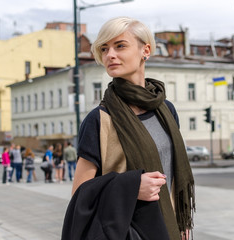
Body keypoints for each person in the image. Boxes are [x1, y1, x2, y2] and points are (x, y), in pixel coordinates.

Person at [62, 17, 195, 240]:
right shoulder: (100, 119)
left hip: (171, 227)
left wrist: (181, 224)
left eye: (120, 46)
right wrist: (131, 187)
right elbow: (80, 195)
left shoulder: (166, 110)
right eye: (104, 49)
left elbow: (173, 174)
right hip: (127, 232)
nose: (110, 55)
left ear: (146, 50)